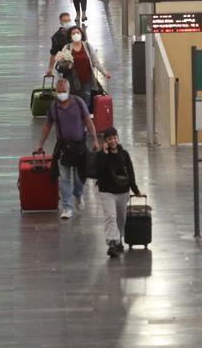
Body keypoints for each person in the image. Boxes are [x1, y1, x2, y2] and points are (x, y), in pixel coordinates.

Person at [35, 78, 99, 219]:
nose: (61, 94)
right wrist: (40, 143)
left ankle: (78, 194)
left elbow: (88, 121)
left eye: (64, 91)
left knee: (79, 177)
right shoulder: (53, 107)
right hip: (63, 148)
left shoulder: (78, 103)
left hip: (79, 147)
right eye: (59, 92)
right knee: (64, 178)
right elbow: (47, 126)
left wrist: (94, 140)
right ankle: (67, 207)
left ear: (69, 91)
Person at [92, 127, 142, 258]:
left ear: (118, 138)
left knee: (121, 218)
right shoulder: (101, 155)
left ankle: (119, 239)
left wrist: (135, 190)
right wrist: (104, 154)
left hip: (122, 191)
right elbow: (98, 170)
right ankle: (112, 243)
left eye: (114, 138)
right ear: (105, 141)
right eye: (109, 139)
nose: (113, 141)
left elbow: (130, 173)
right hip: (106, 191)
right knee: (110, 217)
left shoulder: (124, 154)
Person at [55, 24, 111, 110]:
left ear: (81, 34)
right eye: (73, 33)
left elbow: (95, 61)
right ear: (70, 36)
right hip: (72, 81)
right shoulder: (67, 47)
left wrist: (105, 73)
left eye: (78, 32)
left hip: (86, 80)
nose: (76, 34)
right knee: (73, 103)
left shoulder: (87, 46)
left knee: (86, 102)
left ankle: (84, 120)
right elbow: (60, 64)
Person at [46, 12, 73, 76]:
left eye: (69, 20)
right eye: (65, 21)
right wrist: (50, 68)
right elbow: (53, 53)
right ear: (61, 22)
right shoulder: (56, 37)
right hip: (64, 66)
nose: (67, 22)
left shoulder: (76, 32)